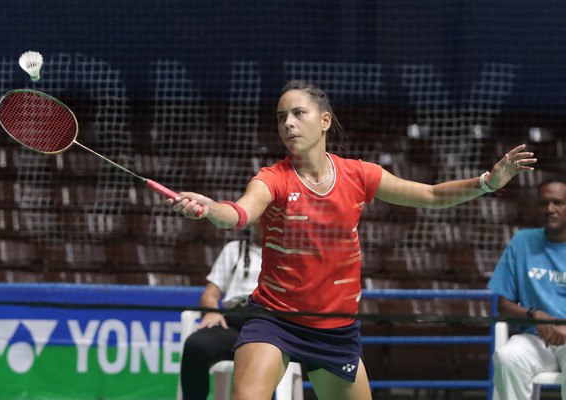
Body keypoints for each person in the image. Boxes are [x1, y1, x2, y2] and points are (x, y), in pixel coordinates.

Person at [168, 80, 536, 400]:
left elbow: (432, 196)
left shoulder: (359, 175)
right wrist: (212, 208)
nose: (289, 123)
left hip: (335, 328)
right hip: (274, 318)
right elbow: (241, 213)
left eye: (298, 113)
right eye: (281, 117)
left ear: (325, 121)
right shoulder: (273, 178)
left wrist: (488, 182)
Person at [488, 178, 566, 400]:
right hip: (533, 339)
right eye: (544, 203)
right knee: (507, 357)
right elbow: (502, 304)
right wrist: (533, 314)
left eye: (558, 203)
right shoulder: (522, 242)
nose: (550, 209)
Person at [180, 228, 262, 400]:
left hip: (268, 323)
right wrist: (212, 311)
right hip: (235, 321)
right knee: (196, 345)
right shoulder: (233, 249)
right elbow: (210, 294)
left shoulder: (288, 253)